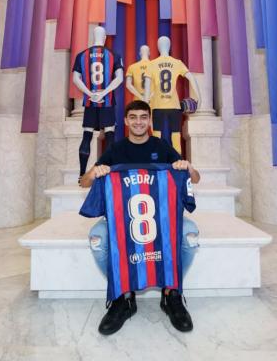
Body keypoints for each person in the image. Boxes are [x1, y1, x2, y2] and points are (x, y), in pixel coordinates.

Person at [80, 100, 201, 335]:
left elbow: (194, 179)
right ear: (126, 121)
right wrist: (94, 172)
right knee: (97, 238)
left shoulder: (162, 146)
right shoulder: (115, 150)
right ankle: (123, 296)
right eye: (133, 117)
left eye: (143, 117)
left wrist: (188, 167)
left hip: (162, 219)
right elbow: (84, 182)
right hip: (121, 219)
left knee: (189, 235)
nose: (138, 122)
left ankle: (171, 293)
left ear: (149, 121)